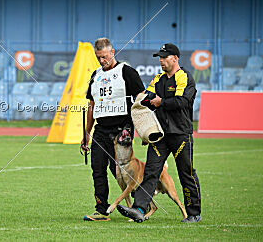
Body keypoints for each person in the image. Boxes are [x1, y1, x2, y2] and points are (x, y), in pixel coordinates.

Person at [116, 43, 202, 223]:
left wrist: (160, 102)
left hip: (180, 134)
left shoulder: (184, 77)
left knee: (185, 172)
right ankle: (139, 209)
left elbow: (182, 102)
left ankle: (194, 213)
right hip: (160, 135)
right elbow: (148, 96)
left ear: (175, 58)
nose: (161, 61)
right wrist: (145, 100)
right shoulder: (158, 79)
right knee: (151, 171)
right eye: (160, 58)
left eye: (164, 57)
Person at [82, 38, 145, 221]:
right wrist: (87, 133)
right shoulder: (95, 75)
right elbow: (92, 106)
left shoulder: (127, 72)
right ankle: (101, 210)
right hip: (101, 130)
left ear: (113, 52)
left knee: (121, 171)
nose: (102, 61)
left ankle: (140, 202)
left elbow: (140, 99)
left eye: (104, 57)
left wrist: (142, 128)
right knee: (97, 168)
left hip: (122, 129)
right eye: (98, 57)